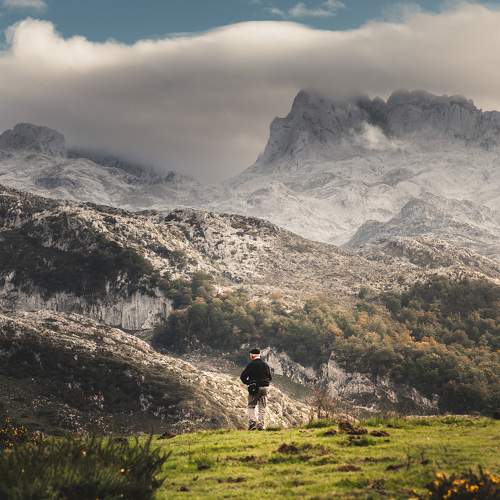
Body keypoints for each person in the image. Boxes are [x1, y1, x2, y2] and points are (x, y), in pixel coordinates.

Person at [240, 348, 272, 430]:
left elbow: (242, 376)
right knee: (262, 407)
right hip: (265, 388)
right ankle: (261, 425)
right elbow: (270, 377)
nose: (250, 356)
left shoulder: (251, 364)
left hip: (254, 388)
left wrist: (248, 382)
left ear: (253, 355)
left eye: (250, 355)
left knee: (251, 406)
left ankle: (252, 423)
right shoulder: (265, 364)